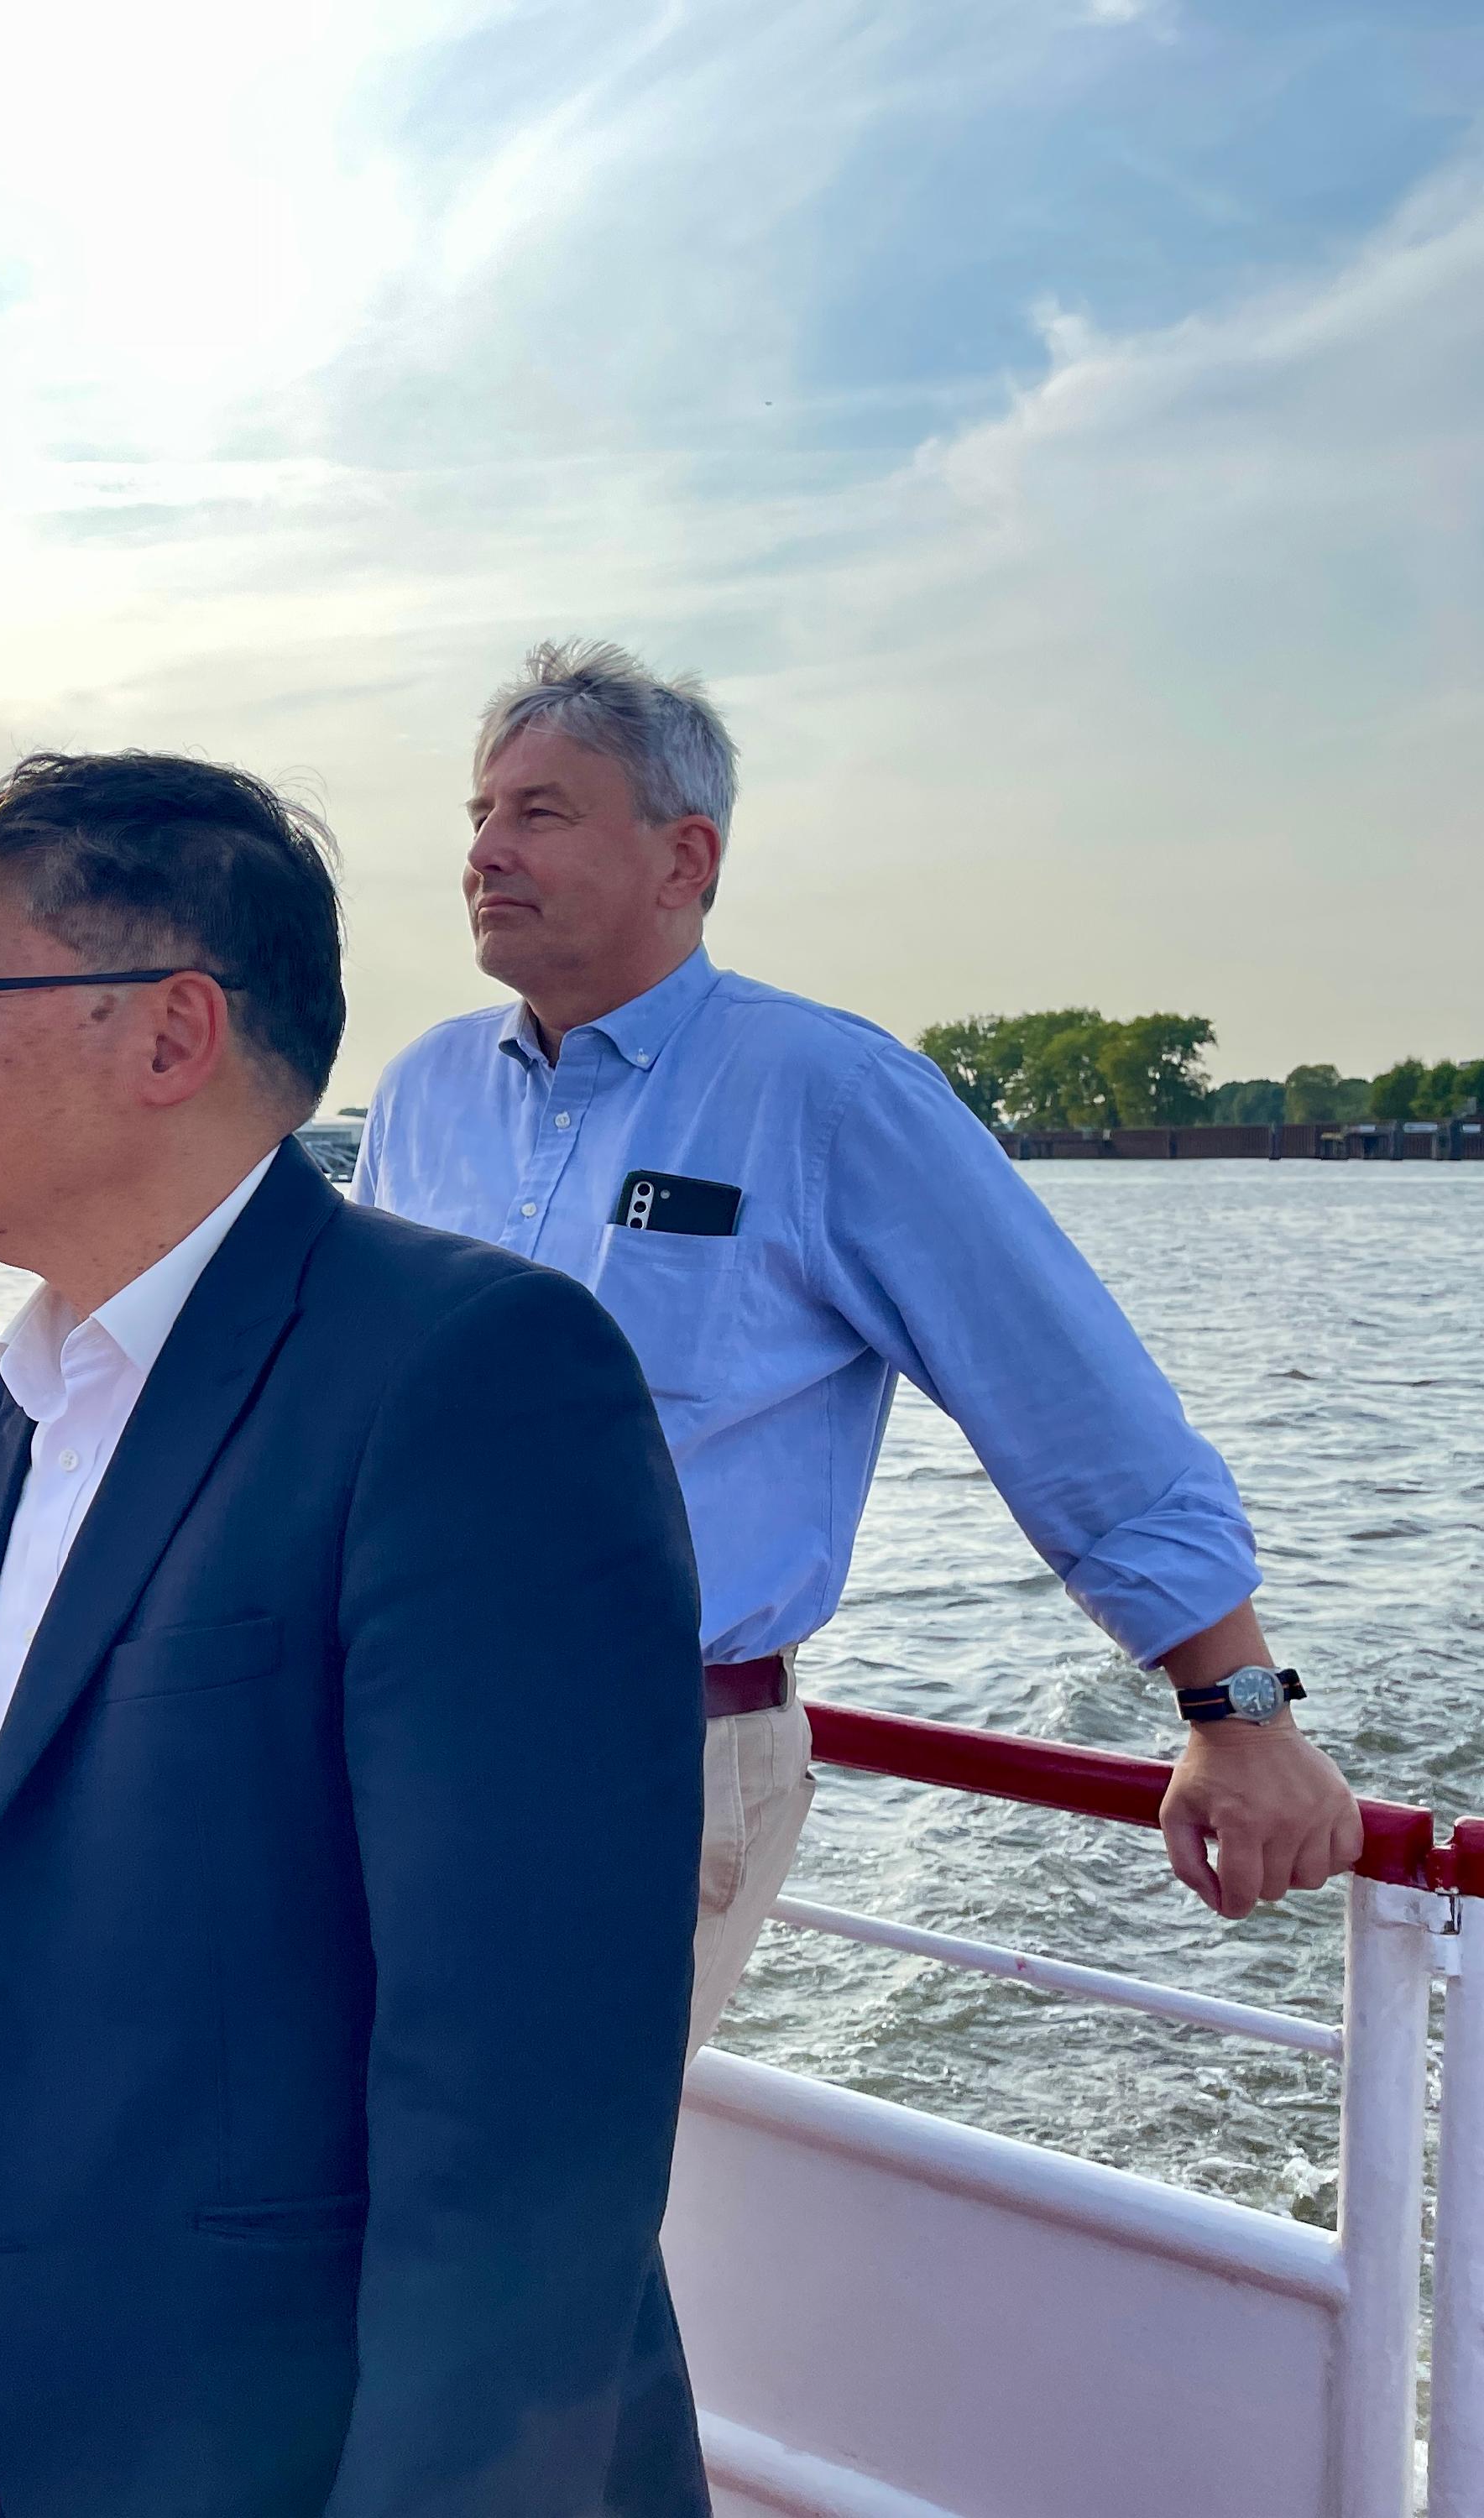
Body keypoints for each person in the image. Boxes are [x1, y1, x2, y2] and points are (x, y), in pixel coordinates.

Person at [0, 752, 712, 2518]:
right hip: (64, 2423)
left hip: (318, 2450)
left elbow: (524, 2107)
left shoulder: (471, 1376)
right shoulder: (22, 1393)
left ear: (170, 1035)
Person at [359, 639, 1368, 2047]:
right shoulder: (422, 1097)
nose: (485, 850)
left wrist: (1238, 1712)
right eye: (478, 813)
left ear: (683, 856)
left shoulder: (829, 1096)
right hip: (386, 1735)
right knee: (342, 2178)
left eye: (541, 812)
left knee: (527, 2208)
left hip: (650, 1758)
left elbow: (1069, 1398)